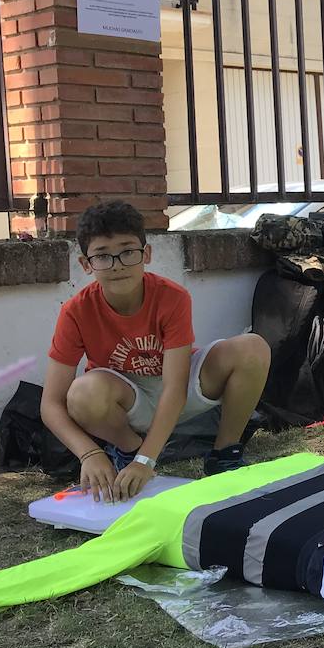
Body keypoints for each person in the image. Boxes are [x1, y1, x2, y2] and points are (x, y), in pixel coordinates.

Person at [41, 201, 271, 502]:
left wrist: (147, 462)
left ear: (146, 255)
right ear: (86, 265)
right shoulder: (76, 311)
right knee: (82, 392)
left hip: (179, 387)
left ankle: (224, 454)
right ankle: (128, 450)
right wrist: (90, 453)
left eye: (127, 251)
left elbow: (175, 388)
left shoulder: (171, 297)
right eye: (102, 256)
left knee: (253, 347)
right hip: (127, 399)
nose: (117, 264)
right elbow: (51, 404)